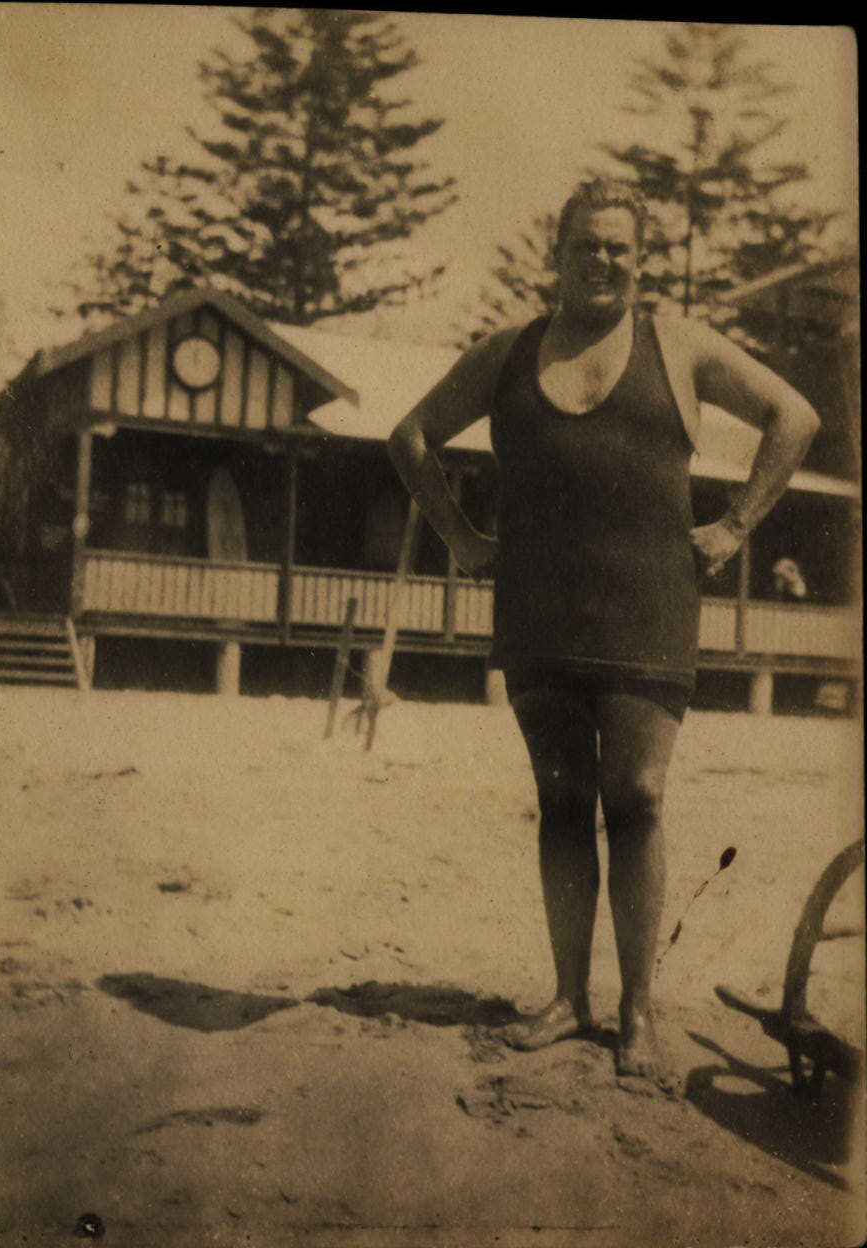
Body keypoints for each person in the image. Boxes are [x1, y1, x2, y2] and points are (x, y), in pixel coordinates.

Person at [388, 178, 819, 1090]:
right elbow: (411, 434)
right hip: (537, 608)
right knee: (560, 802)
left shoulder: (682, 344)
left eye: (622, 247)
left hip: (650, 605)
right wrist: (461, 539)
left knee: (638, 798)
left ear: (643, 258)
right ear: (559, 253)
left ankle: (636, 1011)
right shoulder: (508, 353)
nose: (605, 261)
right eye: (588, 245)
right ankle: (566, 998)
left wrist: (737, 524)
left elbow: (796, 416)